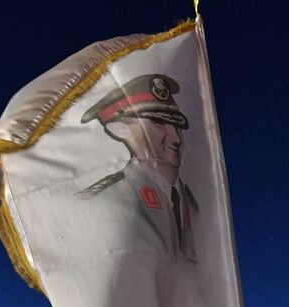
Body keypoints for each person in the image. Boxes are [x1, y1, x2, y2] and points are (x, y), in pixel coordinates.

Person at [79, 73, 199, 262]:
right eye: (158, 122)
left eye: (176, 124)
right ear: (119, 129)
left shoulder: (193, 205)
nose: (176, 138)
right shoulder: (103, 199)